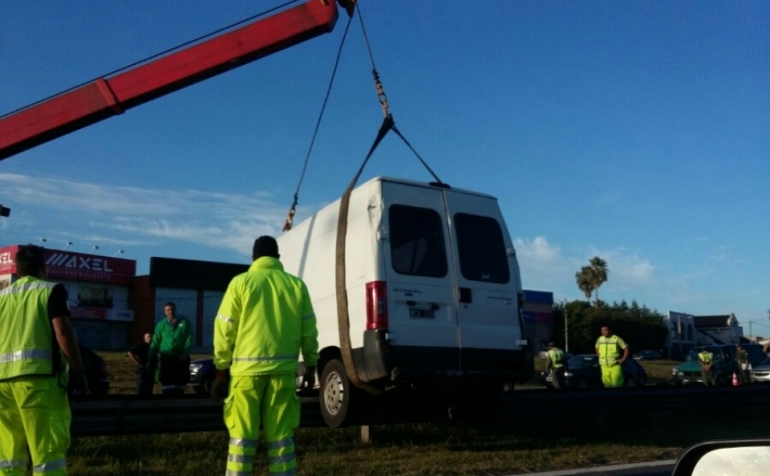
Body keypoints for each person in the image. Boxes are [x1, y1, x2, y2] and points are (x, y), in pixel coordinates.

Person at [211, 235, 319, 476]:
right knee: (282, 442)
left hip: (245, 377)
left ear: (254, 258)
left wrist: (220, 369)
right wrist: (311, 365)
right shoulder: (296, 286)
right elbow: (309, 332)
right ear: (277, 258)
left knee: (241, 442)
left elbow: (224, 330)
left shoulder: (240, 283)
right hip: (283, 376)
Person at [0, 244, 88, 475]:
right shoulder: (50, 290)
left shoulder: (2, 297)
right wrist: (78, 371)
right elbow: (63, 332)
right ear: (43, 269)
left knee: (8, 457)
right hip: (38, 383)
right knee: (47, 453)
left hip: (2, 384)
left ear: (17, 271)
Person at [147, 302, 193, 395]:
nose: (171, 312)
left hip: (181, 358)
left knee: (181, 382)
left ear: (175, 310)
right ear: (165, 312)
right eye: (168, 310)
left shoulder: (184, 322)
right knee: (167, 383)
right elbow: (155, 341)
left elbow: (189, 338)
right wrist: (151, 356)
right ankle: (168, 400)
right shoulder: (161, 325)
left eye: (172, 309)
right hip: (167, 358)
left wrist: (185, 352)